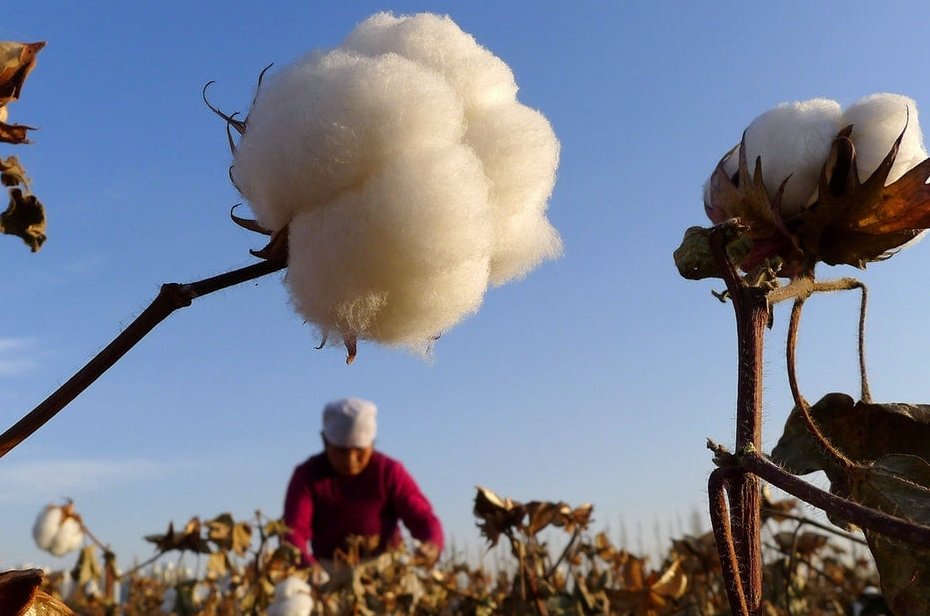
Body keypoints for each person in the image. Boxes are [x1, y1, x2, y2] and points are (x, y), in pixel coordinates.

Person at [282, 397, 444, 574]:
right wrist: (306, 564)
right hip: (327, 572)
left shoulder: (388, 472)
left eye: (359, 450)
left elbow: (422, 517)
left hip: (384, 570)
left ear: (372, 444)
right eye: (341, 451)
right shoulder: (308, 475)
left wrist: (432, 543)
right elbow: (293, 529)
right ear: (325, 442)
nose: (351, 460)